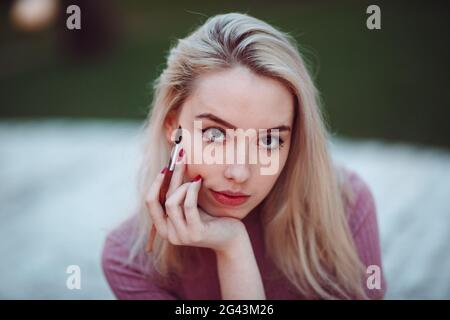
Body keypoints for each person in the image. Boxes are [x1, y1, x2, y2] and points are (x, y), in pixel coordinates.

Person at [102, 12, 386, 300]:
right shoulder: (129, 262)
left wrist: (233, 245)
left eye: (269, 140)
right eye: (215, 134)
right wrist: (232, 250)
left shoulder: (345, 209)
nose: (239, 173)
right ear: (173, 126)